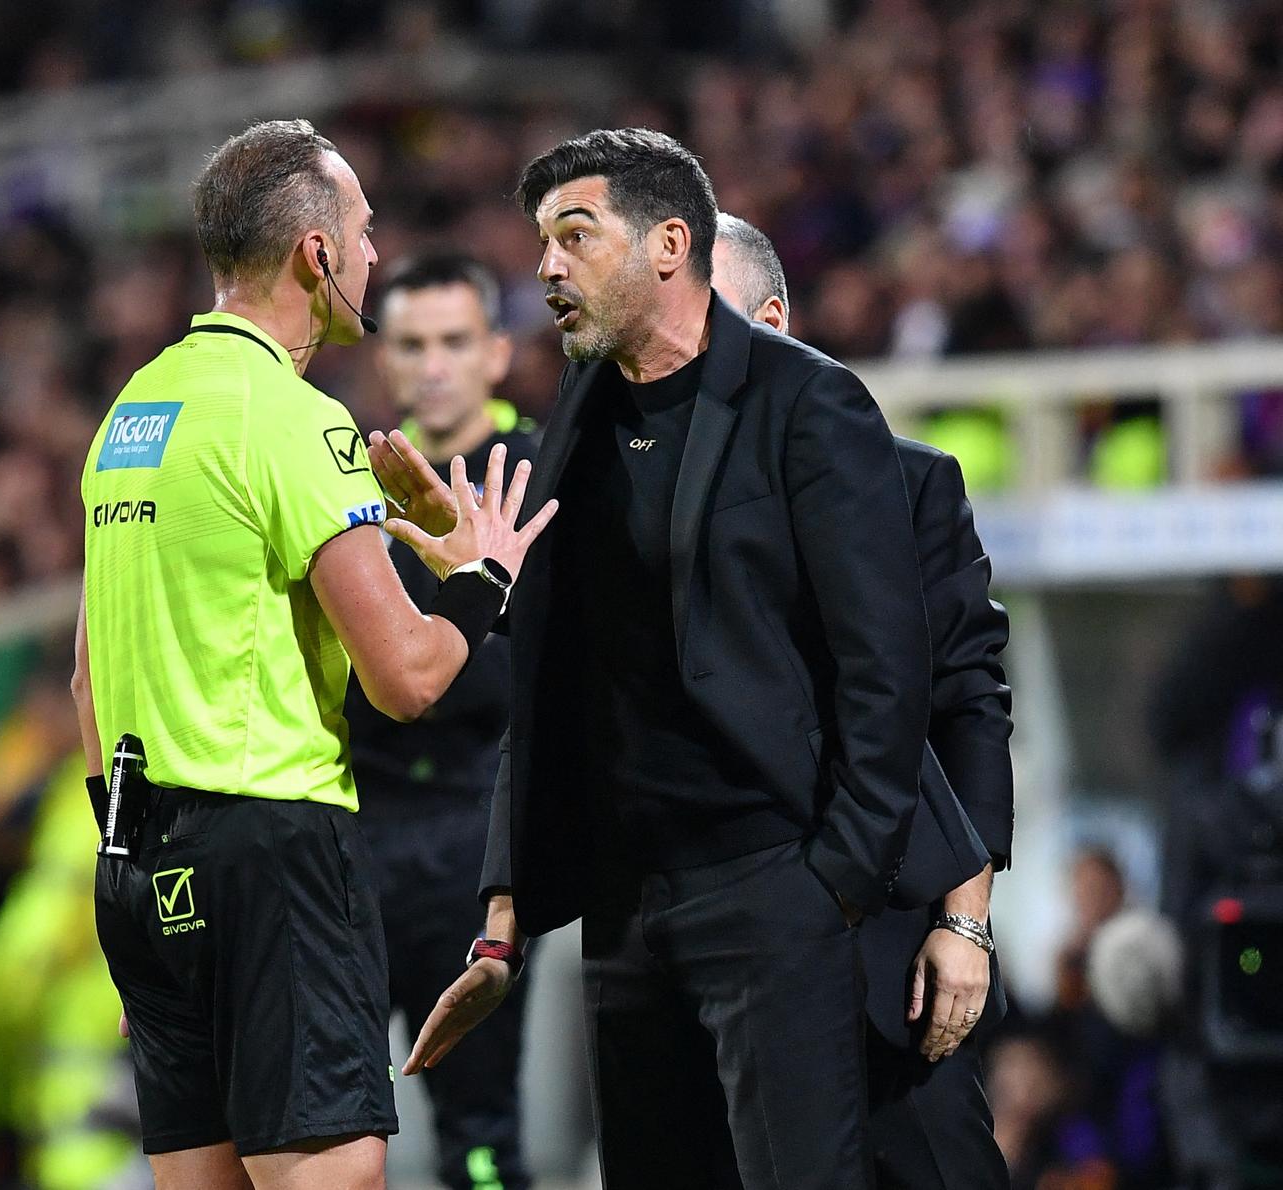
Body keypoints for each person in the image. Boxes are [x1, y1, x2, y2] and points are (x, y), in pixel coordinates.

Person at [375, 127, 936, 1189]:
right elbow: (558, 675)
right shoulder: (579, 415)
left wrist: (834, 882)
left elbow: (887, 665)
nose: (545, 266)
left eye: (574, 235)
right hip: (625, 912)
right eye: (541, 240)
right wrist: (504, 907)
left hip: (770, 889)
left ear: (669, 242)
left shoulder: (806, 403)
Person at [71, 119, 556, 1190]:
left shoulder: (130, 413)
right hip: (276, 856)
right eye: (365, 230)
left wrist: (142, 867)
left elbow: (87, 677)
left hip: (139, 862)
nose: (376, 253)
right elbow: (409, 676)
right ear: (314, 254)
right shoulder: (298, 422)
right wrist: (481, 572)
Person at [714, 212, 1013, 1189]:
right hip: (721, 976)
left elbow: (969, 705)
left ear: (773, 320)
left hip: (893, 969)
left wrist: (964, 922)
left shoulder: (910, 484)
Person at [344, 253, 535, 1190]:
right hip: (358, 837)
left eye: (455, 341)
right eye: (412, 344)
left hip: (481, 840)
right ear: (386, 362)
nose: (433, 365)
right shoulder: (345, 486)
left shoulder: (549, 473)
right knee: (326, 1121)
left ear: (497, 352)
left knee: (483, 1138)